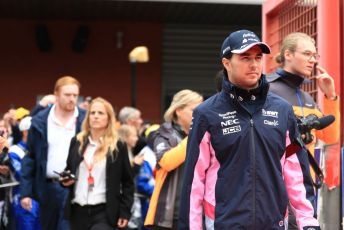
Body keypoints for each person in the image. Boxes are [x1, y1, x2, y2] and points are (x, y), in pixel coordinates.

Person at [178, 29, 320, 230]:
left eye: (258, 57)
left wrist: (308, 221)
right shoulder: (206, 113)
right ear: (226, 63)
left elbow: (295, 170)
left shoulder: (282, 110)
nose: (254, 64)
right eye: (245, 58)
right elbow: (194, 180)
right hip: (223, 224)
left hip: (273, 223)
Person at [267, 32, 340, 229]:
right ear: (288, 54)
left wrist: (330, 96)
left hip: (304, 189)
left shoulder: (306, 97)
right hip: (275, 186)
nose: (312, 60)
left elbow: (331, 137)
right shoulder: (266, 88)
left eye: (315, 56)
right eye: (307, 54)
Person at [20, 76, 86, 230]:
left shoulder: (85, 120)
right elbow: (30, 158)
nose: (72, 99)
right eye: (67, 95)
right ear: (56, 94)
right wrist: (25, 193)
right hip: (48, 186)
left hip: (76, 187)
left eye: (75, 95)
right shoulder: (40, 121)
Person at [61, 97, 134, 230]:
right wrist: (64, 179)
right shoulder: (77, 142)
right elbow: (69, 170)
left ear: (109, 118)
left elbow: (128, 182)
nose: (95, 116)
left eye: (101, 113)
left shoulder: (118, 146)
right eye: (93, 113)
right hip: (77, 211)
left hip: (104, 212)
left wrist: (125, 211)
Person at [144, 89, 203, 230]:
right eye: (193, 110)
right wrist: (193, 135)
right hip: (169, 214)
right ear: (178, 111)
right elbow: (167, 161)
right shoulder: (163, 134)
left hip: (196, 211)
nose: (199, 115)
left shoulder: (203, 135)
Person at [8, 116, 41, 230]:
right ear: (26, 132)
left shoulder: (40, 149)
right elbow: (22, 174)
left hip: (40, 197)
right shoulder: (14, 151)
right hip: (22, 198)